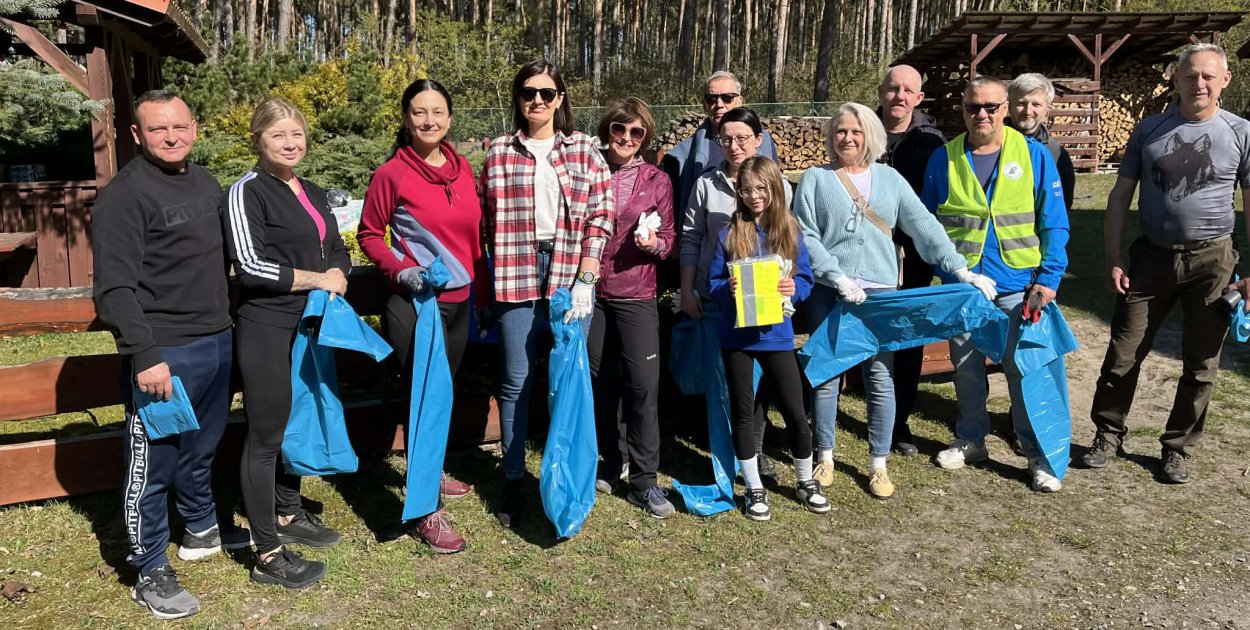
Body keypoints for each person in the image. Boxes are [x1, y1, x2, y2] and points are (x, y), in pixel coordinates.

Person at [794, 102, 994, 499]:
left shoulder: (890, 179)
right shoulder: (815, 179)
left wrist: (959, 269)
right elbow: (805, 234)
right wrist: (835, 274)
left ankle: (878, 464)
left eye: (856, 131)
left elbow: (923, 225)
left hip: (881, 295)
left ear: (869, 135)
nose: (847, 138)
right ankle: (826, 455)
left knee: (880, 376)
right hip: (832, 292)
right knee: (827, 375)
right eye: (840, 132)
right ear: (831, 137)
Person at [92, 90, 236, 619]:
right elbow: (114, 289)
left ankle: (199, 526)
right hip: (165, 352)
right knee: (153, 462)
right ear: (136, 135)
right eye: (157, 130)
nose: (172, 137)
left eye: (179, 126)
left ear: (194, 126)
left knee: (203, 445)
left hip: (218, 339)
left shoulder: (206, 183)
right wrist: (144, 353)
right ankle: (149, 564)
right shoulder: (124, 197)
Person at [1084, 43, 1250, 484]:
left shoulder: (1240, 132)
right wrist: (1115, 257)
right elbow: (1120, 196)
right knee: (1123, 353)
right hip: (1150, 258)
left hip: (1213, 261)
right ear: (1175, 80)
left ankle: (1177, 447)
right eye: (1191, 75)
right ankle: (1107, 433)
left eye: (1208, 77)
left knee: (1201, 364)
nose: (1199, 84)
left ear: (1225, 81)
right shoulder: (1150, 130)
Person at [480, 60, 615, 529]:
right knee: (516, 381)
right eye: (528, 92)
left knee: (568, 380)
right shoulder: (498, 152)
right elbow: (485, 221)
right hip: (515, 272)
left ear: (560, 99)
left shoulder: (583, 150)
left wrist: (589, 271)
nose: (537, 101)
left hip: (570, 274)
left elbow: (602, 212)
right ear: (518, 99)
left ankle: (565, 477)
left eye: (547, 93)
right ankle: (513, 478)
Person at [922, 76, 1070, 492]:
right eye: (973, 108)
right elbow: (928, 227)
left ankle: (1037, 455)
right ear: (963, 110)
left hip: (1021, 288)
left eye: (991, 107)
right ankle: (971, 440)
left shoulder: (1035, 156)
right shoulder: (944, 159)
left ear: (1005, 108)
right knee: (966, 371)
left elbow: (1054, 223)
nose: (982, 115)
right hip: (963, 288)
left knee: (1027, 371)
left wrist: (1049, 279)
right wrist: (948, 275)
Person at [225, 98, 349, 588]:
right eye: (279, 135)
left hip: (310, 326)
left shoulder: (313, 191)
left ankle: (287, 512)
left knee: (296, 416)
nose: (290, 143)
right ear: (258, 139)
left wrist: (337, 270)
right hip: (265, 326)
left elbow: (336, 245)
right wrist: (319, 279)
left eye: (296, 134)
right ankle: (268, 555)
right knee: (266, 436)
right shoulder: (247, 192)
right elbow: (251, 266)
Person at [357, 79, 483, 552]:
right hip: (417, 304)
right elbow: (370, 234)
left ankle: (429, 470)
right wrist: (402, 270)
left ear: (449, 118)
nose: (428, 120)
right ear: (406, 119)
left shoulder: (462, 167)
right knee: (422, 396)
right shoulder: (392, 173)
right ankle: (427, 510)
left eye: (436, 112)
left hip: (460, 302)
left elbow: (474, 240)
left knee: (442, 393)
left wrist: (480, 291)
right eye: (418, 112)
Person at [678, 106, 791, 481]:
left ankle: (754, 457)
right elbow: (691, 240)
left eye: (742, 138)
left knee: (756, 386)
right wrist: (688, 290)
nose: (734, 145)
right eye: (726, 139)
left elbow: (789, 243)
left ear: (759, 140)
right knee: (725, 384)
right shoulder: (706, 185)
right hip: (718, 303)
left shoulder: (778, 185)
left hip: (766, 306)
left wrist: (790, 287)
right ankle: (725, 457)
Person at [707, 155, 822, 521]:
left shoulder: (790, 230)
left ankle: (806, 480)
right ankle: (754, 486)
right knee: (743, 413)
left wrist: (795, 288)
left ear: (775, 189)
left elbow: (805, 279)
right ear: (738, 192)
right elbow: (711, 285)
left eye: (761, 189)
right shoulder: (729, 232)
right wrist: (728, 288)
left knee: (794, 409)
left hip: (777, 336)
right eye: (746, 190)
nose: (754, 196)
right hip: (738, 338)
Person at [586, 97, 677, 518]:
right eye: (619, 129)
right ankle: (610, 460)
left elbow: (671, 241)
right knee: (599, 381)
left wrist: (652, 244)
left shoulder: (657, 180)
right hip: (589, 292)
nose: (625, 138)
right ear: (608, 130)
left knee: (642, 385)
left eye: (636, 132)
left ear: (646, 136)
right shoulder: (588, 170)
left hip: (636, 292)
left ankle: (645, 479)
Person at [876, 64, 948, 456]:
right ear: (882, 92)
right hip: (864, 252)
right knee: (861, 328)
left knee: (907, 334)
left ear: (919, 98)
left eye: (908, 90)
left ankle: (899, 419)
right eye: (893, 88)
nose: (899, 96)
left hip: (913, 254)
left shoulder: (932, 142)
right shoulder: (860, 130)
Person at [662, 71, 779, 215]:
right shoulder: (682, 156)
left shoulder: (764, 141)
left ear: (740, 101)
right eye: (711, 98)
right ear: (704, 104)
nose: (719, 104)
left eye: (727, 98)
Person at [1008, 73, 1076, 212]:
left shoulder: (1056, 153)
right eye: (1021, 103)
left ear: (1047, 110)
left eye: (1036, 104)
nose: (1028, 111)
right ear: (1008, 106)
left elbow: (1062, 206)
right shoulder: (990, 146)